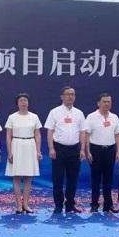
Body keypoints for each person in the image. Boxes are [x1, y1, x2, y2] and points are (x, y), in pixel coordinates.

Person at [44, 86, 87, 214]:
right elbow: (50, 131)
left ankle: (70, 204)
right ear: (62, 97)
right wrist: (51, 148)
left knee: (73, 178)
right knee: (58, 177)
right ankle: (58, 204)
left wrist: (82, 149)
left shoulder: (79, 113)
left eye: (72, 94)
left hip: (74, 149)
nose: (70, 97)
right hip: (59, 149)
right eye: (67, 94)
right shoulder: (54, 112)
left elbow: (83, 132)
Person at [85, 93, 119, 214]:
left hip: (110, 150)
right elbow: (87, 135)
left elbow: (118, 135)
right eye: (104, 101)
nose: (107, 104)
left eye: (109, 102)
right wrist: (87, 152)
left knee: (108, 179)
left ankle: (108, 205)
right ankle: (94, 205)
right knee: (96, 179)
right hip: (96, 150)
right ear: (98, 103)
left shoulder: (114, 117)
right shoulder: (91, 117)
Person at [5, 93, 42, 214]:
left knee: (28, 176)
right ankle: (18, 204)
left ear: (28, 102)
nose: (23, 102)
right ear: (17, 103)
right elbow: (8, 136)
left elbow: (37, 135)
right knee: (16, 176)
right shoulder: (12, 117)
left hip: (30, 145)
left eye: (25, 100)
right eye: (20, 100)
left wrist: (38, 151)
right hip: (16, 145)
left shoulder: (34, 117)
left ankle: (26, 203)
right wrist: (9, 152)